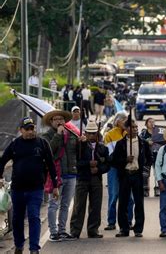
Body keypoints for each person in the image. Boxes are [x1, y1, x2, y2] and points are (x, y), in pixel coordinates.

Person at [0, 117, 59, 254]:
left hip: (36, 189)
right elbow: (2, 161)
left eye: (32, 128)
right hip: (17, 189)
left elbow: (51, 165)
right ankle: (19, 245)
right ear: (21, 130)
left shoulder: (42, 143)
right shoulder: (15, 144)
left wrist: (55, 186)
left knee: (34, 217)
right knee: (17, 219)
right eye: (27, 129)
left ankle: (34, 248)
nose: (30, 132)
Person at [41, 109, 79, 242]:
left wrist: (82, 142)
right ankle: (53, 231)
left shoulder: (71, 134)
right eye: (56, 119)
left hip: (71, 173)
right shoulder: (47, 136)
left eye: (61, 119)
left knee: (65, 205)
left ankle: (62, 230)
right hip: (56, 174)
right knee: (53, 204)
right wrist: (58, 135)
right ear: (51, 122)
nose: (59, 121)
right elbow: (49, 152)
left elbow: (76, 152)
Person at [70, 121, 110, 239]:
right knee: (79, 205)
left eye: (94, 133)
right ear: (85, 133)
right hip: (82, 178)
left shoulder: (103, 148)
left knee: (96, 205)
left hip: (96, 179)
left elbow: (107, 165)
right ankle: (75, 231)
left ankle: (93, 230)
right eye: (89, 133)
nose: (92, 136)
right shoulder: (79, 146)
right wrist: (88, 164)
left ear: (97, 134)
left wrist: (98, 169)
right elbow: (75, 163)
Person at [112, 119, 152, 238]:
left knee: (139, 202)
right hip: (125, 175)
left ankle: (138, 229)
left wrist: (145, 167)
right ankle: (124, 229)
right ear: (126, 128)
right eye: (132, 127)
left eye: (136, 127)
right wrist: (125, 160)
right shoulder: (121, 143)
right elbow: (114, 161)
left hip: (137, 175)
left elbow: (150, 158)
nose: (135, 129)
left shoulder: (143, 143)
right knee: (123, 202)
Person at [104, 113, 134, 231]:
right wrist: (123, 159)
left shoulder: (129, 134)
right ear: (117, 121)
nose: (125, 122)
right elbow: (110, 154)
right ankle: (111, 222)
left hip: (127, 168)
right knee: (114, 195)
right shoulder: (109, 135)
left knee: (129, 197)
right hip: (114, 168)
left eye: (127, 120)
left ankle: (129, 221)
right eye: (123, 120)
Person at [139, 118, 159, 197]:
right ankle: (145, 190)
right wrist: (147, 142)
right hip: (146, 155)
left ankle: (157, 189)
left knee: (157, 173)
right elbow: (140, 141)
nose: (152, 123)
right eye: (150, 122)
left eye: (153, 122)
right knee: (145, 173)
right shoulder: (143, 133)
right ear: (146, 123)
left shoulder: (158, 133)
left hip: (157, 154)